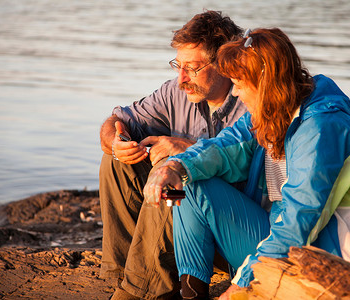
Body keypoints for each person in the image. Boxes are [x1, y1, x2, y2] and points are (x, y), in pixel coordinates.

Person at [143, 28, 350, 299]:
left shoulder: (322, 131)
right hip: (280, 242)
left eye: (239, 83)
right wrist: (174, 167)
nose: (235, 93)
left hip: (335, 262)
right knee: (188, 182)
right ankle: (191, 293)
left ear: (266, 82)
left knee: (191, 184)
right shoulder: (272, 112)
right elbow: (224, 148)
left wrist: (240, 285)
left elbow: (299, 223)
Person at [99, 10, 246, 299]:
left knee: (173, 177)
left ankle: (143, 291)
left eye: (192, 68)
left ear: (224, 64)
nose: (181, 79)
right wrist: (115, 142)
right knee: (116, 163)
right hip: (186, 222)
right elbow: (119, 119)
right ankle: (129, 276)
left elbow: (257, 169)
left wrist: (185, 151)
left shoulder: (249, 98)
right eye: (177, 65)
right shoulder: (176, 92)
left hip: (229, 227)